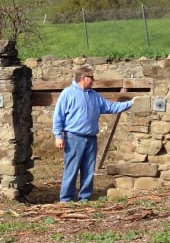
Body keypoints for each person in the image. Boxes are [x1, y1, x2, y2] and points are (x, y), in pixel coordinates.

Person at [52, 65, 135, 203]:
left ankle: (85, 198)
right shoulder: (68, 93)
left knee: (89, 170)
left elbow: (111, 107)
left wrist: (130, 103)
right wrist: (58, 136)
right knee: (71, 170)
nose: (94, 80)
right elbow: (58, 116)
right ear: (83, 78)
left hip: (91, 138)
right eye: (91, 77)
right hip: (73, 137)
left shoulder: (94, 95)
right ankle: (66, 200)